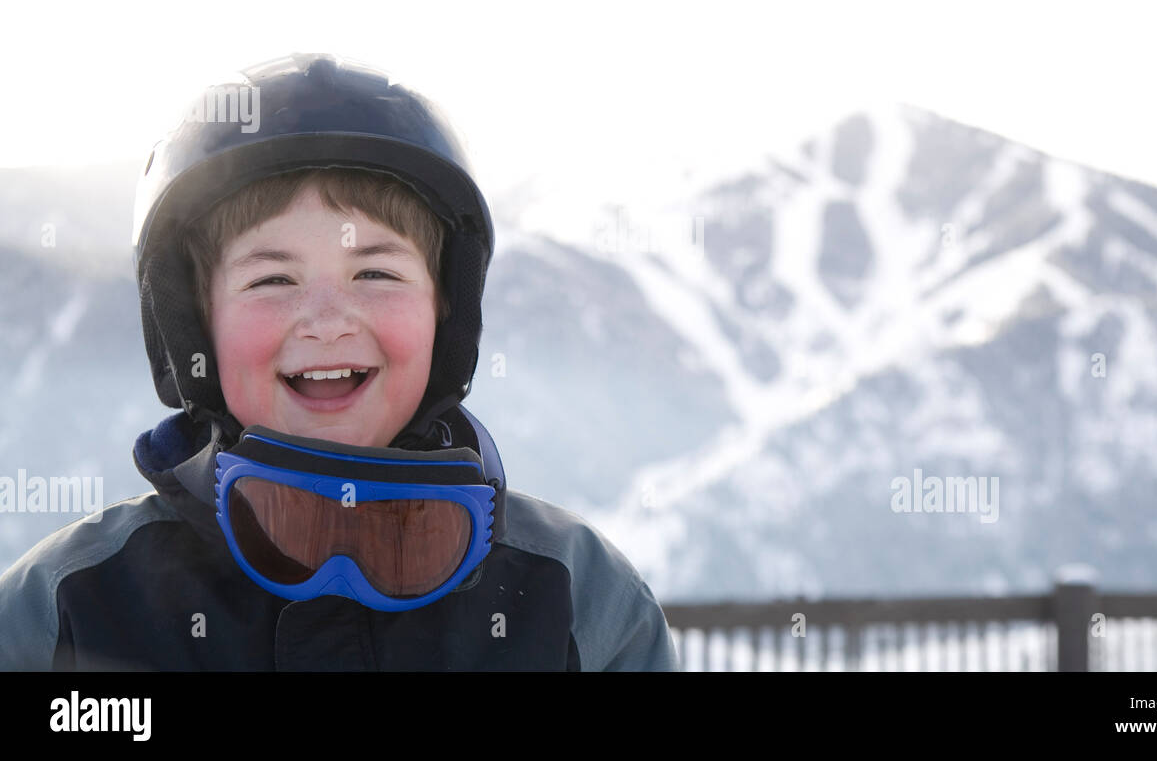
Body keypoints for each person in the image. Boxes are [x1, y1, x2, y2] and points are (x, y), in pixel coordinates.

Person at [0, 53, 680, 670]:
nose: (327, 322)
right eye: (272, 281)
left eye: (376, 274)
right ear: (194, 330)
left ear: (446, 314)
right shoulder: (65, 613)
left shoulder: (576, 605)